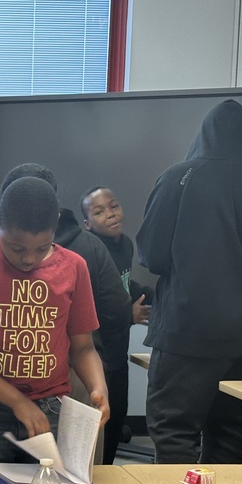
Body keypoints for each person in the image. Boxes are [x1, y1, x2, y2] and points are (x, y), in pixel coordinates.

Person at [137, 99, 242, 464]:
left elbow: (151, 256)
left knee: (174, 431)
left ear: (203, 135)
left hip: (187, 331)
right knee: (230, 438)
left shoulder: (176, 178)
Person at [0, 175, 110, 469]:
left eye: (42, 248)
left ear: (55, 230)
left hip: (50, 410)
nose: (29, 259)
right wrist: (17, 401)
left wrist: (98, 387)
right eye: (17, 249)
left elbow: (83, 347)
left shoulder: (74, 267)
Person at [0, 164, 129, 464]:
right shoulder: (90, 246)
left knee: (3, 482)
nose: (29, 258)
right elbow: (117, 310)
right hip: (74, 376)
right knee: (73, 479)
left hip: (5, 380)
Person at [81, 185, 154, 463]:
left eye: (113, 206)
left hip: (118, 349)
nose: (110, 214)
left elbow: (121, 285)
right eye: (99, 212)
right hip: (97, 354)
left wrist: (143, 293)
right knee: (98, 421)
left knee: (117, 416)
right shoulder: (90, 252)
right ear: (88, 224)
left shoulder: (125, 245)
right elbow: (94, 306)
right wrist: (129, 314)